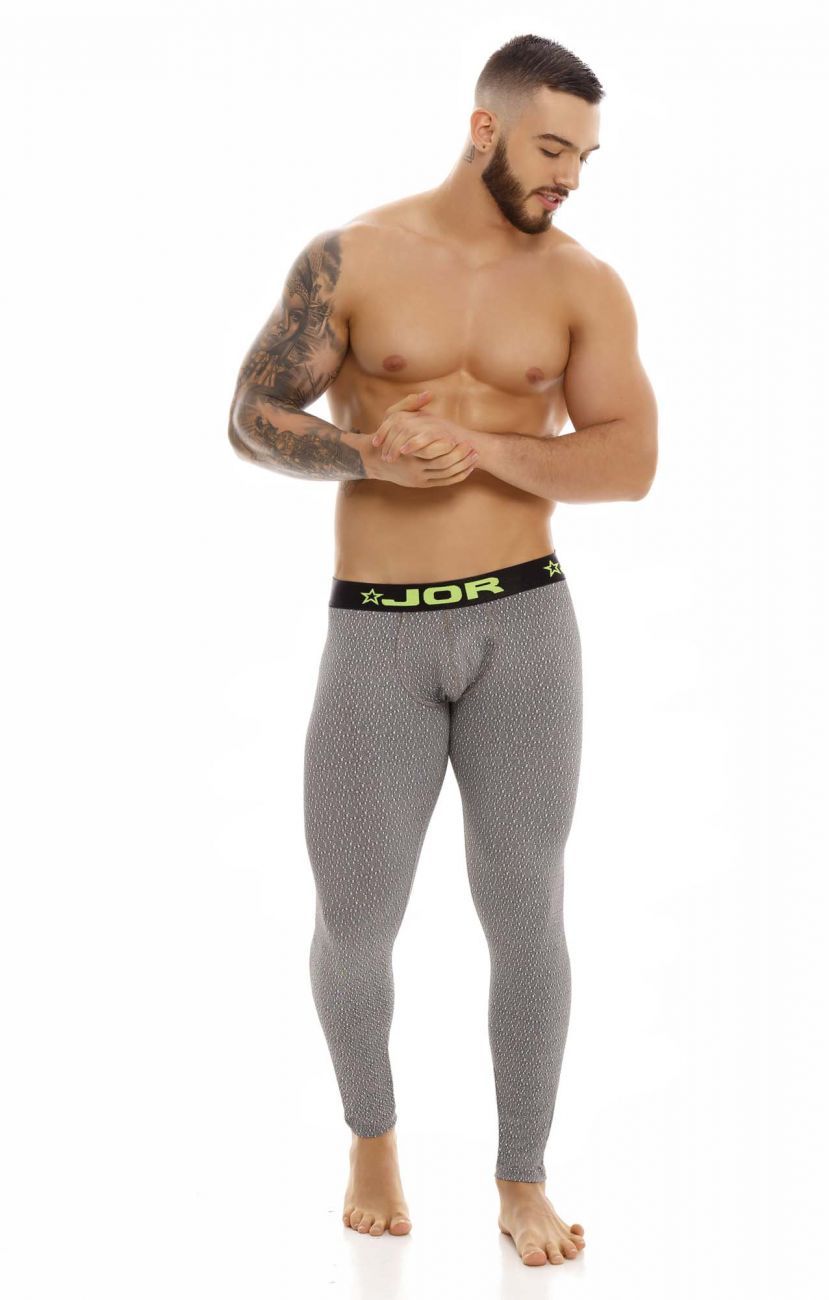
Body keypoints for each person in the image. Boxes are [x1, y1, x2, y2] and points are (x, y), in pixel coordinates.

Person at [227, 32, 657, 1268]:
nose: (566, 175)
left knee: (526, 910)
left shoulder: (582, 285)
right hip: (377, 630)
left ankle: (522, 1174)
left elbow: (628, 460)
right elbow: (251, 414)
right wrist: (366, 454)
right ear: (484, 128)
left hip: (525, 622)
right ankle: (371, 1139)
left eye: (583, 156)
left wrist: (490, 450)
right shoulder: (354, 256)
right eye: (550, 147)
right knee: (355, 916)